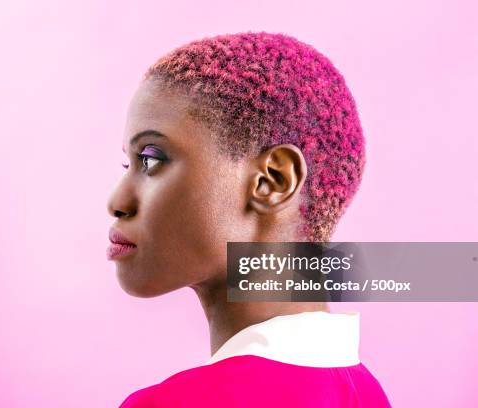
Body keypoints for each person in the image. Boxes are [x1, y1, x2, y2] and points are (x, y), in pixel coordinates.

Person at [106, 31, 391, 407]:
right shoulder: (366, 393)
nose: (117, 201)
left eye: (152, 159)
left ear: (273, 180)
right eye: (129, 163)